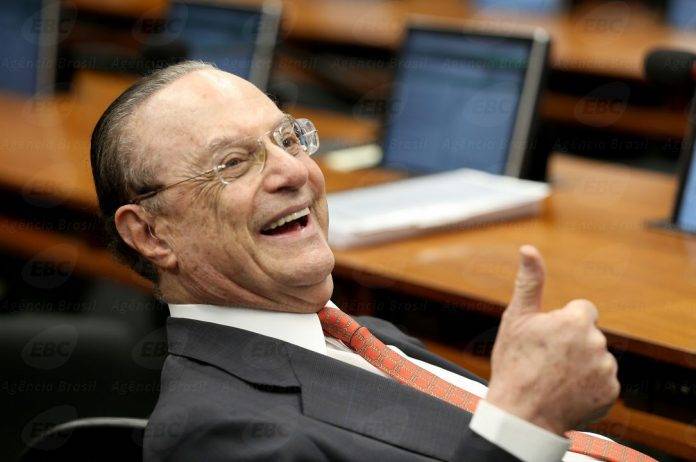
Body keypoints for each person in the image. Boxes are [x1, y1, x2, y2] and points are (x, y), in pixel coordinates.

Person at [90, 61, 650, 462]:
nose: (295, 172)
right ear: (151, 234)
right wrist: (525, 423)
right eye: (234, 163)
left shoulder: (352, 332)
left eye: (288, 139)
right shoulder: (214, 436)